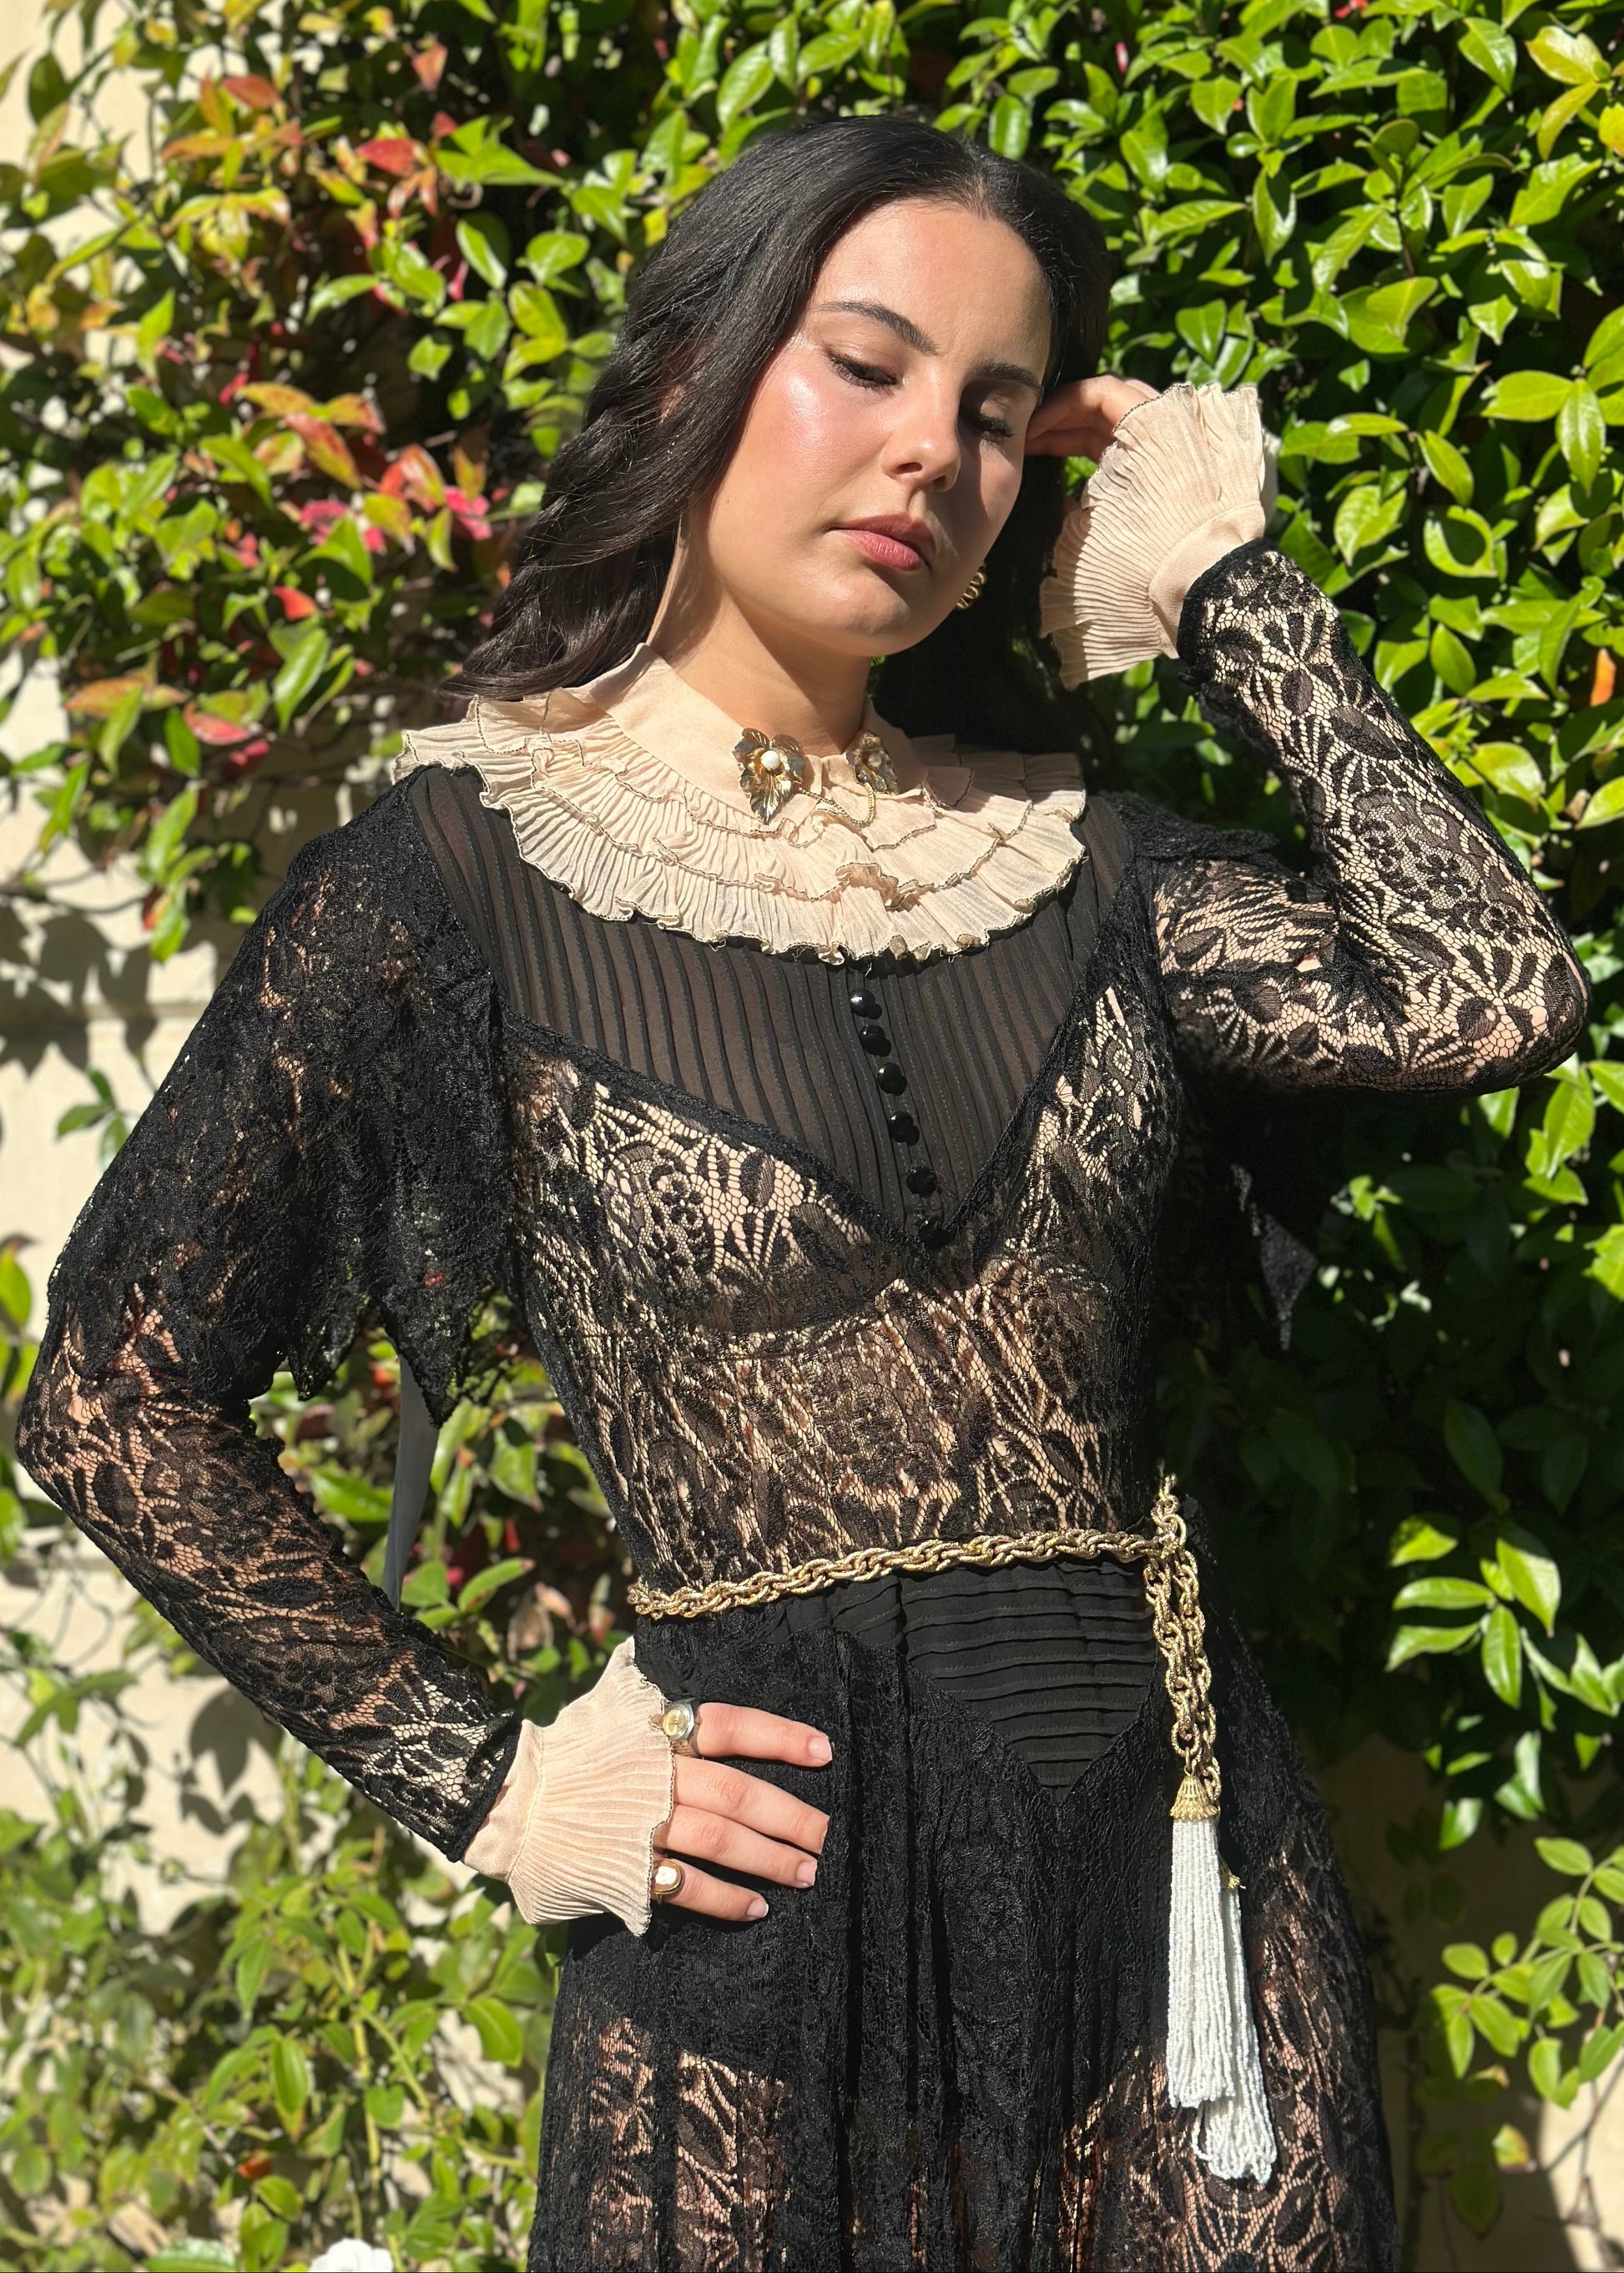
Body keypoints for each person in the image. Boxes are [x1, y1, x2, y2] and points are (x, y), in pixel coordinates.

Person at [16, 113, 1588, 2271]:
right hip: (762, 1978)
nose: (932, 450)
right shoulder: (456, 879)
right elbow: (109, 1396)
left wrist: (1223, 586)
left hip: (1191, 1936)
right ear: (695, 364)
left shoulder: (1079, 865)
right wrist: (487, 1781)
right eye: (864, 363)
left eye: (998, 416)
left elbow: (1490, 987)